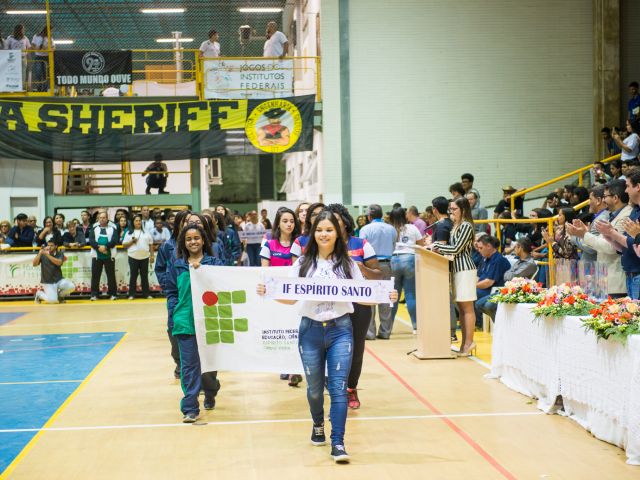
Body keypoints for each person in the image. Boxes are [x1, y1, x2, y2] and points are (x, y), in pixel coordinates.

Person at [257, 210, 397, 463]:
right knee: (313, 390)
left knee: (338, 389)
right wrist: (268, 291)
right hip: (310, 330)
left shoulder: (349, 264)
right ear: (313, 233)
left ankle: (339, 442)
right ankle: (318, 424)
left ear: (338, 233)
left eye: (329, 230)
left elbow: (364, 296)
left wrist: (385, 296)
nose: (324, 234)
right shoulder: (302, 263)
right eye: (319, 230)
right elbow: (290, 296)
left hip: (341, 329)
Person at [166, 224, 224, 422]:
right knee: (189, 366)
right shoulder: (177, 265)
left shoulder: (214, 263)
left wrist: (204, 272)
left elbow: (223, 287)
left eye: (197, 238)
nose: (193, 242)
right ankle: (190, 407)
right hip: (185, 322)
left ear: (203, 240)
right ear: (184, 242)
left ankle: (210, 390)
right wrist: (174, 313)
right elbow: (171, 292)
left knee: (208, 366)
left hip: (209, 322)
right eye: (189, 238)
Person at [327, 203, 382, 410]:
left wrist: (362, 268)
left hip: (358, 306)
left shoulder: (361, 244)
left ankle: (351, 388)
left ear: (345, 223)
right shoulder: (322, 245)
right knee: (330, 347)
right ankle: (335, 387)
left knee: (356, 348)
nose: (331, 226)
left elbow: (379, 274)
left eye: (336, 221)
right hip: (329, 306)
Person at [428, 197, 477, 356]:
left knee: (467, 308)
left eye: (454, 209)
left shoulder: (466, 226)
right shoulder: (456, 226)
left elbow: (456, 249)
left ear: (463, 209)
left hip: (465, 269)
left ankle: (469, 342)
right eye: (450, 209)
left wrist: (437, 246)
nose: (451, 212)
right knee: (462, 310)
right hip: (456, 269)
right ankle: (464, 344)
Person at [260, 207, 302, 386]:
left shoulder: (299, 243)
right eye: (285, 221)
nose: (289, 224)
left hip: (295, 296)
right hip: (276, 297)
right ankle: (284, 365)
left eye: (292, 221)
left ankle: (295, 369)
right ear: (278, 223)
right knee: (281, 332)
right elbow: (264, 271)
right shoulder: (269, 244)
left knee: (296, 331)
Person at [568, 180, 631, 298]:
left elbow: (610, 247)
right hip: (605, 278)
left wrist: (583, 235)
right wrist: (584, 233)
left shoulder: (626, 216)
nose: (603, 200)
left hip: (615, 280)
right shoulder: (613, 215)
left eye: (605, 197)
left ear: (616, 198)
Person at [156, 210, 192, 379]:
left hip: (194, 296)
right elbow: (160, 269)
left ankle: (192, 367)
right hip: (176, 296)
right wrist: (169, 286)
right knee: (174, 329)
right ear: (178, 224)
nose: (189, 225)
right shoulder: (168, 246)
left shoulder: (199, 244)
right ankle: (179, 362)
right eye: (185, 221)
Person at [597, 170, 640, 299]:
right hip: (629, 272)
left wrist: (612, 233)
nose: (626, 191)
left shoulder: (629, 212)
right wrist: (610, 237)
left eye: (627, 186)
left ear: (638, 187)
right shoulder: (635, 211)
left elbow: (636, 243)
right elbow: (627, 245)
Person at [359, 204, 397, 340]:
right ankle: (385, 332)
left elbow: (362, 249)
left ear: (369, 216)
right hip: (387, 264)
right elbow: (393, 246)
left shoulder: (365, 229)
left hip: (370, 266)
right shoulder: (391, 229)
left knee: (370, 296)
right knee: (386, 297)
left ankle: (369, 333)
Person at [388, 207, 424, 334]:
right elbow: (421, 244)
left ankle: (388, 327)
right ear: (405, 216)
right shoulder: (413, 228)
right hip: (410, 259)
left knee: (392, 296)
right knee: (410, 295)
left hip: (393, 260)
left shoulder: (390, 229)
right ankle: (416, 327)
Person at [473, 235, 511, 327]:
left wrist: (472, 286)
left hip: (493, 290)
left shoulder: (499, 260)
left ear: (489, 246)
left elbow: (488, 282)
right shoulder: (484, 258)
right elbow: (478, 276)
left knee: (470, 293)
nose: (479, 250)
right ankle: (476, 322)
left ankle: (479, 323)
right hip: (483, 288)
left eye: (481, 248)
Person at [566, 184, 607, 263]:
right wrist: (584, 232)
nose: (588, 203)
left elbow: (591, 248)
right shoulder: (600, 217)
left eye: (590, 199)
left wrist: (574, 236)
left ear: (598, 200)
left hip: (594, 267)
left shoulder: (601, 219)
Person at [33, 238, 75, 304]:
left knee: (71, 287)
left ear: (56, 246)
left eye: (51, 245)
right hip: (48, 281)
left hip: (59, 280)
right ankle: (39, 294)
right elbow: (34, 264)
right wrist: (39, 253)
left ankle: (60, 296)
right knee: (53, 301)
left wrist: (47, 255)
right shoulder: (43, 253)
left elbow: (59, 262)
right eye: (48, 245)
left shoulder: (60, 253)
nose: (49, 247)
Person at [123, 215, 154, 300]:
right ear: (133, 222)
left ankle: (146, 294)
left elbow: (151, 244)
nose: (138, 222)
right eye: (136, 220)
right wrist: (132, 241)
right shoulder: (129, 232)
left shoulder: (146, 232)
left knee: (144, 276)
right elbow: (124, 245)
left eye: (139, 220)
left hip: (145, 257)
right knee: (133, 276)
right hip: (133, 257)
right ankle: (132, 294)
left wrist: (152, 255)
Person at [89, 211, 118, 301]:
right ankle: (94, 294)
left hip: (109, 256)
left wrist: (106, 247)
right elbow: (91, 240)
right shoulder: (94, 228)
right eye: (100, 218)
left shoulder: (113, 228)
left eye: (104, 217)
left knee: (111, 276)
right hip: (96, 256)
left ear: (107, 218)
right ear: (98, 219)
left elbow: (114, 240)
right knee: (95, 276)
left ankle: (112, 294)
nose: (102, 219)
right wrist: (98, 247)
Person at [5, 24, 30, 90]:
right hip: (14, 58)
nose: (23, 30)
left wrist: (26, 53)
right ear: (19, 29)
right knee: (13, 73)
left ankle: (22, 87)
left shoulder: (25, 38)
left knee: (23, 73)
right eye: (22, 29)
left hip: (23, 58)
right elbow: (6, 47)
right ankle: (13, 87)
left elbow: (29, 47)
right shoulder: (10, 37)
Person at [31, 26, 51, 92]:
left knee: (46, 73)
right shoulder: (36, 36)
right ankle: (39, 85)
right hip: (38, 56)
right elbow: (33, 44)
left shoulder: (49, 37)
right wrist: (37, 48)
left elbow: (53, 46)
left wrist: (47, 48)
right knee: (38, 72)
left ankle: (45, 88)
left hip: (46, 56)